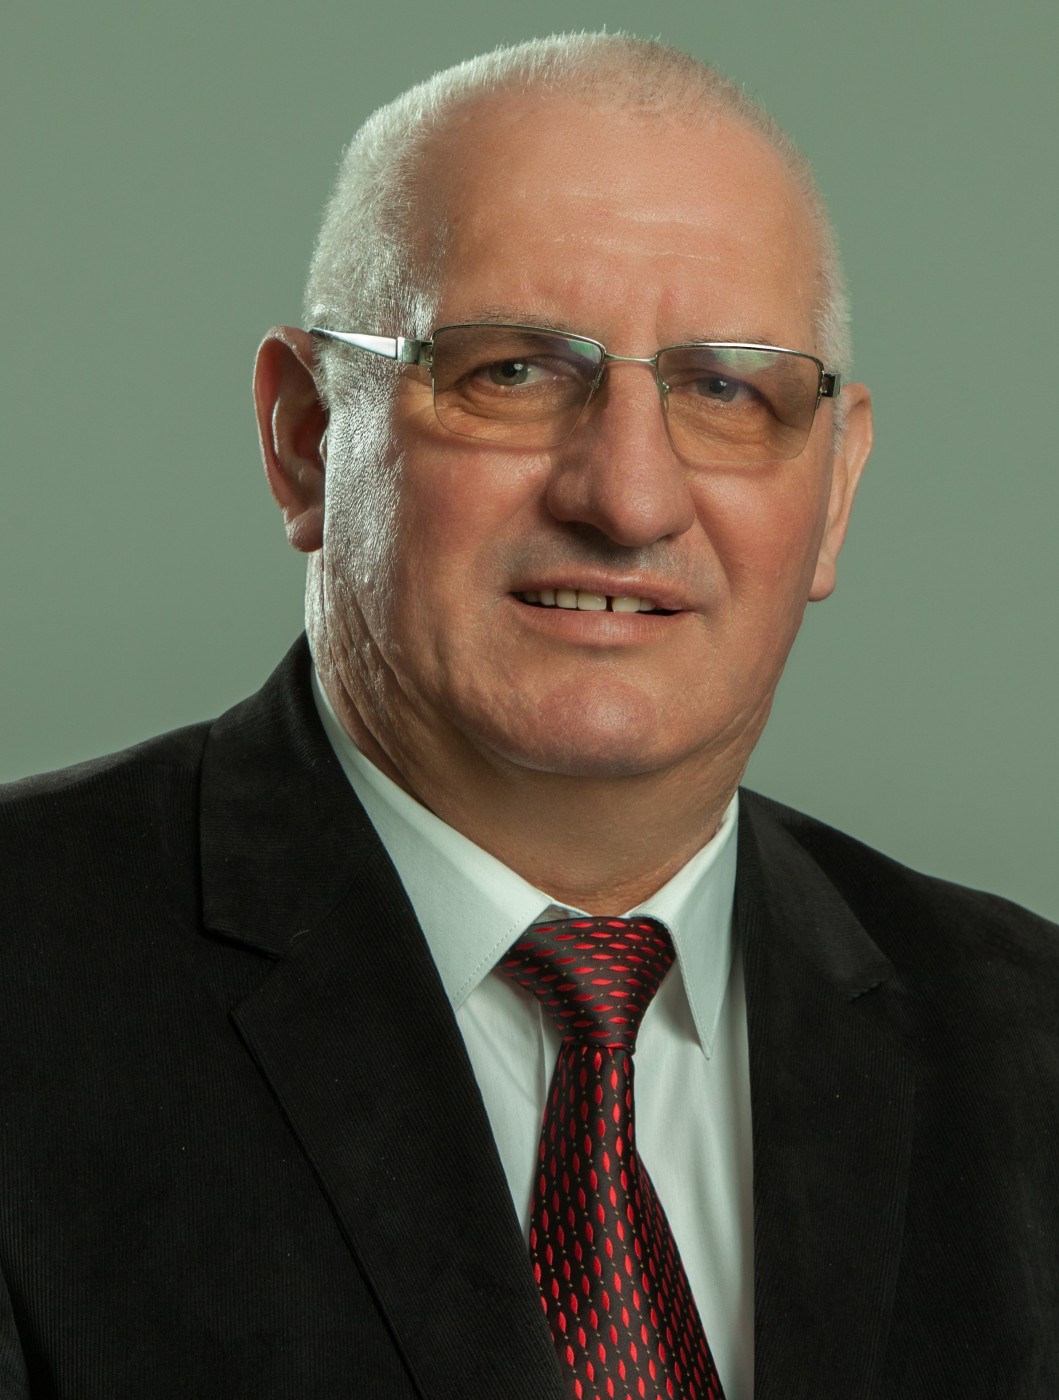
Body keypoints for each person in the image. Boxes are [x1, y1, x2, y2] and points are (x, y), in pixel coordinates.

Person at [1, 31, 1056, 1400]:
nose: (628, 498)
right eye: (511, 371)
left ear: (836, 490)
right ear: (306, 437)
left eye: (725, 390)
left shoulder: (1028, 1046)